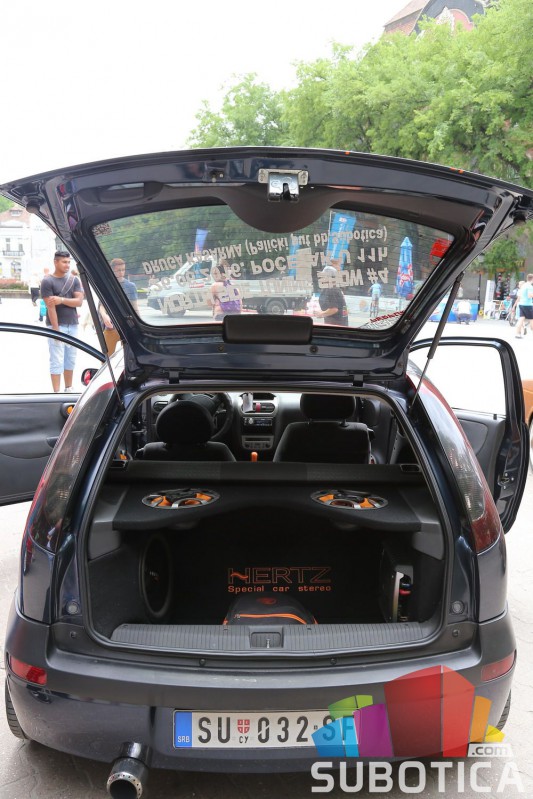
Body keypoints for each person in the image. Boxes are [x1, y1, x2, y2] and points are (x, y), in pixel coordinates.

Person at [40, 250, 84, 392]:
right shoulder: (47, 281)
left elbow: (79, 302)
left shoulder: (73, 280)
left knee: (70, 358)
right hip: (56, 326)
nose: (67, 265)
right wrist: (56, 329)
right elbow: (50, 307)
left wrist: (62, 300)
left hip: (73, 324)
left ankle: (68, 388)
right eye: (64, 262)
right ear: (56, 262)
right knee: (57, 360)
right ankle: (56, 392)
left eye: (68, 262)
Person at [98, 258, 139, 355]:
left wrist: (138, 324)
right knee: (106, 357)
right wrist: (104, 316)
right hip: (111, 326)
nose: (121, 273)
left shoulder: (131, 286)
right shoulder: (107, 285)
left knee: (129, 356)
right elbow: (102, 306)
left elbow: (135, 307)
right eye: (118, 270)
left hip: (128, 326)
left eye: (123, 270)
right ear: (112, 270)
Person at [515, 274, 533, 338]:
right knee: (531, 319)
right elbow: (529, 295)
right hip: (528, 305)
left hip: (521, 304)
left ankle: (517, 334)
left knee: (521, 319)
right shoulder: (530, 286)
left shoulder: (523, 285)